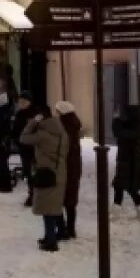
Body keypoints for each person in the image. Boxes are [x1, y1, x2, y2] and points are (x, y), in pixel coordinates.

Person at [20, 104, 68, 252]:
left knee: (47, 207)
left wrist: (32, 123)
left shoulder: (42, 135)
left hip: (46, 172)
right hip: (60, 171)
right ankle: (62, 231)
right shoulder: (61, 131)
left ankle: (50, 241)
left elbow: (23, 138)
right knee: (55, 204)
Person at [112, 105, 140, 220]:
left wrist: (116, 119)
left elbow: (119, 133)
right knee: (122, 187)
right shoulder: (136, 126)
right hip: (129, 162)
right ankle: (139, 212)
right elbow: (119, 131)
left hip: (130, 163)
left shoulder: (136, 129)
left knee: (130, 188)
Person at [56, 101, 83, 240]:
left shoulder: (64, 128)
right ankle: (70, 228)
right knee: (70, 200)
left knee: (59, 198)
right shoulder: (74, 126)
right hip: (75, 168)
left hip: (65, 167)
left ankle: (63, 228)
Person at [12, 91, 36, 206]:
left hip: (34, 148)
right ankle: (32, 193)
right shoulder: (19, 114)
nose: (21, 104)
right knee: (28, 172)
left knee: (34, 172)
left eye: (24, 102)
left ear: (29, 102)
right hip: (23, 148)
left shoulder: (35, 115)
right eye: (20, 102)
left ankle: (34, 195)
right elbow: (16, 131)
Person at [0, 79, 15, 193]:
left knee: (2, 164)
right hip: (1, 142)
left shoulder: (3, 116)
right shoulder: (6, 114)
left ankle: (5, 185)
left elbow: (1, 129)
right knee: (1, 164)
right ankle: (3, 183)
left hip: (2, 143)